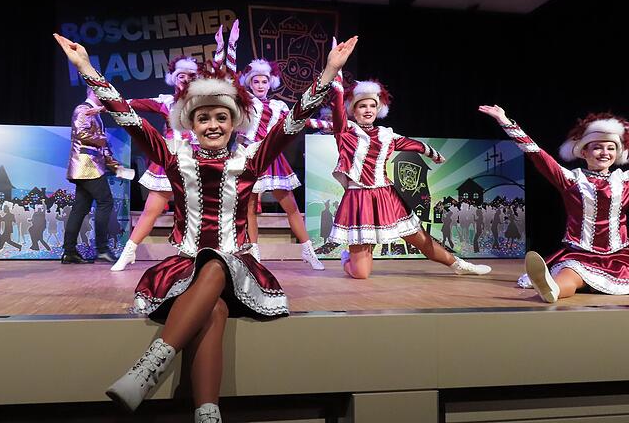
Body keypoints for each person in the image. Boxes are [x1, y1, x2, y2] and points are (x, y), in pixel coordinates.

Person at [54, 27, 355, 421]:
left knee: (217, 262)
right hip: (185, 267)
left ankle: (149, 367)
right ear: (190, 123)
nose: (212, 124)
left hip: (237, 267)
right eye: (203, 118)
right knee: (212, 309)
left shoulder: (250, 161)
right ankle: (207, 412)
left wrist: (330, 70)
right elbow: (128, 119)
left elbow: (294, 120)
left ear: (234, 122)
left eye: (220, 117)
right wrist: (86, 67)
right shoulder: (175, 160)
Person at [306, 69, 491, 279]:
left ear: (379, 109)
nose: (368, 110)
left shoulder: (387, 135)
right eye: (362, 106)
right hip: (359, 201)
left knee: (421, 239)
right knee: (361, 274)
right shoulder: (346, 132)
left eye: (372, 105)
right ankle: (347, 258)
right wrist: (336, 73)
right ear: (353, 110)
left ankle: (459, 265)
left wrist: (434, 154)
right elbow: (337, 106)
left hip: (386, 198)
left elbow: (414, 145)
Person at [479, 105, 629, 303]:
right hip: (580, 256)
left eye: (611, 148)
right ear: (584, 152)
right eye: (597, 147)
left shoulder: (624, 180)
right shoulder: (571, 179)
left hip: (620, 258)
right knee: (570, 278)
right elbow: (535, 153)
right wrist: (505, 121)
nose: (604, 152)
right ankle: (551, 289)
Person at [110, 55, 200, 271]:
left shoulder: (204, 102)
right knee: (151, 210)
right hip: (170, 160)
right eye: (181, 75)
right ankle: (129, 252)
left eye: (190, 76)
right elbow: (132, 103)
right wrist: (106, 105)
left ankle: (197, 256)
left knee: (197, 213)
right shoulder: (166, 102)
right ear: (174, 78)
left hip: (196, 161)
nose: (185, 79)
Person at [239, 57, 324, 269]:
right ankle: (253, 254)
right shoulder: (243, 102)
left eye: (264, 82)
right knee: (249, 209)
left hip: (271, 157)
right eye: (256, 81)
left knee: (291, 207)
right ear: (249, 83)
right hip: (248, 157)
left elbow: (300, 120)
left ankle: (308, 250)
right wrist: (228, 48)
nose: (260, 85)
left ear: (270, 83)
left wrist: (326, 124)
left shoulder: (278, 106)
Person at [62, 87, 133, 263]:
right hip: (87, 167)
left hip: (90, 168)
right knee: (105, 202)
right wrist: (102, 138)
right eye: (102, 94)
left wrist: (117, 168)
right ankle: (101, 249)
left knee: (80, 208)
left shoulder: (96, 115)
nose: (105, 98)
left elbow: (103, 149)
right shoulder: (83, 109)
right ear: (93, 92)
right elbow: (81, 134)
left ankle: (69, 252)